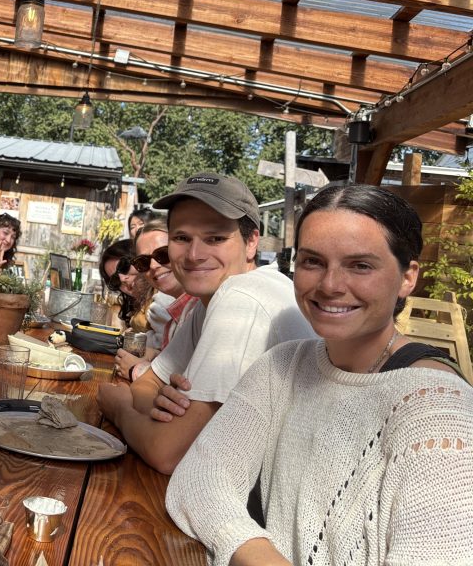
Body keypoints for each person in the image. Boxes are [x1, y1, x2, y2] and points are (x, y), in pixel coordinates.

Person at [166, 184, 473, 566]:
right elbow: (200, 479)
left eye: (360, 265)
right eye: (313, 261)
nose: (330, 286)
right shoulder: (282, 366)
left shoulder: (438, 410)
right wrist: (254, 549)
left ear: (408, 277)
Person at [97, 173, 314, 474]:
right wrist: (161, 402)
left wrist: (119, 408)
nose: (194, 255)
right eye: (182, 238)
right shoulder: (209, 300)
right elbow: (148, 385)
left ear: (252, 242)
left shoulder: (243, 296)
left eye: (215, 238)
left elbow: (166, 453)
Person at [103, 223, 199, 381]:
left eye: (163, 254)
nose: (153, 265)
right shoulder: (179, 312)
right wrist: (155, 354)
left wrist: (135, 370)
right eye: (143, 262)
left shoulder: (202, 307)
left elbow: (191, 384)